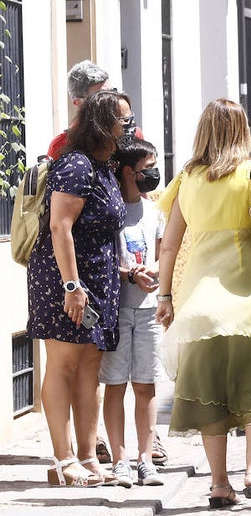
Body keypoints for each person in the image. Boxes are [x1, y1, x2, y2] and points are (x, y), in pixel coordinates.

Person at [154, 99, 251, 510]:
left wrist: (164, 296)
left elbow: (170, 246)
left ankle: (218, 484)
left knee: (209, 394)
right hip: (249, 300)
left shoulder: (187, 180)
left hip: (199, 306)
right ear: (242, 132)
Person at [29, 89, 131, 487]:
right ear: (103, 123)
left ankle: (88, 459)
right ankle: (63, 460)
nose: (129, 126)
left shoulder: (105, 166)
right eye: (124, 120)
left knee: (90, 368)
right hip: (64, 280)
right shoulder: (75, 165)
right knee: (64, 365)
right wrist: (72, 286)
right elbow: (60, 226)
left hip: (98, 281)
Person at [99, 137, 166, 487]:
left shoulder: (153, 211)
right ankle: (119, 459)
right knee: (115, 384)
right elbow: (103, 258)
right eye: (148, 169)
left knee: (145, 386)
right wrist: (128, 273)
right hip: (118, 310)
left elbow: (161, 253)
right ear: (129, 171)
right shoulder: (111, 211)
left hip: (148, 311)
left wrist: (153, 275)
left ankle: (145, 458)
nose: (153, 174)